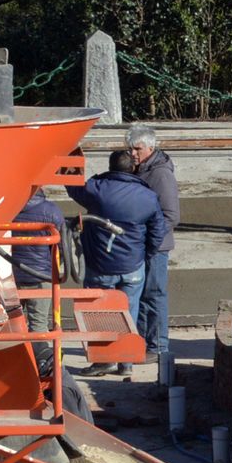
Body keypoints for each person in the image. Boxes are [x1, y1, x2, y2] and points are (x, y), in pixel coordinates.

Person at [64, 149, 166, 376]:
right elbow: (158, 231)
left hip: (100, 265)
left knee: (101, 315)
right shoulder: (147, 196)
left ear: (110, 167)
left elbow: (72, 185)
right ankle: (125, 363)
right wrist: (144, 255)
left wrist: (69, 158)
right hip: (133, 266)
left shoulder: (97, 190)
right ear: (133, 168)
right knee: (129, 313)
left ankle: (104, 361)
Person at [127, 125, 180, 374]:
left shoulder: (160, 175)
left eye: (137, 149)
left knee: (154, 294)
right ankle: (146, 343)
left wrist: (150, 239)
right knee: (145, 295)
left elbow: (171, 215)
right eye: (130, 149)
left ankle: (158, 346)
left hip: (155, 246)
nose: (133, 153)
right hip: (143, 243)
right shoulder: (143, 169)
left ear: (150, 147)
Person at [10, 186, 67, 378]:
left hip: (13, 277)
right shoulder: (51, 211)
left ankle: (16, 367)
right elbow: (61, 245)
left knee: (13, 325)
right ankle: (40, 367)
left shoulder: (10, 209)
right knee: (39, 325)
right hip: (41, 277)